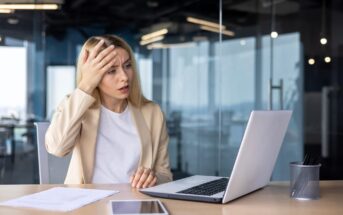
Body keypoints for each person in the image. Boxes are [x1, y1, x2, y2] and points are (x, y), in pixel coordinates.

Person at [45, 35, 172, 188]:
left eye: (127, 65)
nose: (124, 77)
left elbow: (165, 175)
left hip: (134, 203)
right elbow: (57, 148)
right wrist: (86, 84)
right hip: (87, 204)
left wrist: (154, 178)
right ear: (93, 75)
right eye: (111, 71)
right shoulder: (76, 106)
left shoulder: (152, 113)